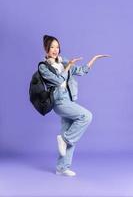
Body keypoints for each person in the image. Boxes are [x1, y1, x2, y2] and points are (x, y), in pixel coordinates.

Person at [38, 35, 110, 177]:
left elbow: (81, 71)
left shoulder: (63, 61)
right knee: (86, 116)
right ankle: (64, 139)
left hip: (70, 100)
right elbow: (58, 79)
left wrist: (94, 59)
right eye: (52, 47)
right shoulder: (43, 66)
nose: (55, 50)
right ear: (46, 49)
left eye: (57, 47)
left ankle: (62, 168)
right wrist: (68, 66)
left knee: (70, 132)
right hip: (59, 101)